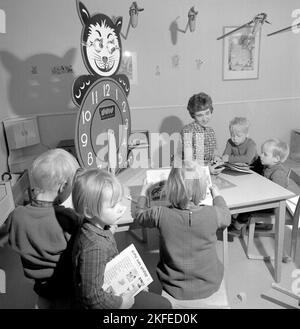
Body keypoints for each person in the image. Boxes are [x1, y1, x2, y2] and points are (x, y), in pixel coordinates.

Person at [134, 160, 231, 308]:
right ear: (203, 189)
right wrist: (217, 195)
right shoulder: (213, 213)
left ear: (170, 189)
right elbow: (226, 216)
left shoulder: (159, 213)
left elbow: (139, 215)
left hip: (173, 286)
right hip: (209, 283)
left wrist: (143, 192)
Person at [71, 168, 171, 309]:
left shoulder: (94, 228)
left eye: (120, 201)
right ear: (89, 211)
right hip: (110, 302)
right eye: (113, 205)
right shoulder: (94, 247)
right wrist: (121, 304)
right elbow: (92, 298)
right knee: (164, 306)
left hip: (114, 286)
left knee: (155, 293)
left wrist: (109, 231)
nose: (122, 208)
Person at [8, 148, 82, 308]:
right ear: (63, 187)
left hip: (41, 290)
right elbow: (86, 241)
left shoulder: (17, 214)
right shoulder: (68, 218)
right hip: (67, 292)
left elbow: (13, 239)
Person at [229, 138, 290, 236]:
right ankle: (237, 219)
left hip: (272, 205)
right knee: (244, 195)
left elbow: (279, 195)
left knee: (248, 204)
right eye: (262, 152)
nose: (261, 155)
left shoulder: (278, 173)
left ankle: (237, 226)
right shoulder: (267, 166)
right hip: (264, 198)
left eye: (265, 154)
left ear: (276, 159)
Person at [180, 92, 223, 174]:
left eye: (207, 113)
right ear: (193, 115)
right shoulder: (187, 131)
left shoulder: (211, 131)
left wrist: (217, 159)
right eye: (200, 115)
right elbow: (188, 162)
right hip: (191, 175)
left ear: (211, 111)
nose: (205, 118)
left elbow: (214, 153)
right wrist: (206, 170)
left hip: (208, 174)